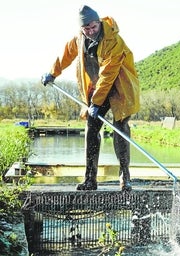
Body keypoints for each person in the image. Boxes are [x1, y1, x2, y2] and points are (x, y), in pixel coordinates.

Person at [41, 5, 140, 191]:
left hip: (119, 88)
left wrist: (95, 102)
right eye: (86, 29)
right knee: (91, 128)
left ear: (99, 22)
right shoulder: (80, 39)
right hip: (97, 89)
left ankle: (124, 177)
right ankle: (89, 179)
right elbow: (65, 55)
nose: (90, 32)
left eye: (93, 27)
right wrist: (53, 73)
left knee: (120, 129)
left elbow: (108, 75)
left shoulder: (114, 41)